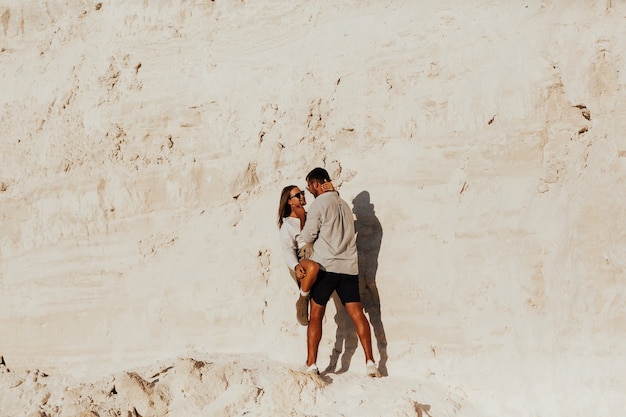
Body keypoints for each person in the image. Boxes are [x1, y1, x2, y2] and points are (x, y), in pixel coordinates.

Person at [300, 167, 380, 377]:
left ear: (317, 184)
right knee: (357, 314)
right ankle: (371, 362)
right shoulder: (344, 205)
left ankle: (311, 365)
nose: (309, 191)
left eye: (309, 186)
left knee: (316, 314)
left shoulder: (319, 203)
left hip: (326, 267)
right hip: (349, 268)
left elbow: (308, 236)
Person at [278, 185, 321, 326]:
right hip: (303, 257)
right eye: (298, 195)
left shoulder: (311, 215)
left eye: (302, 193)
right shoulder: (288, 225)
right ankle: (303, 300)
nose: (302, 196)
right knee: (313, 268)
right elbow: (288, 249)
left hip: (319, 252)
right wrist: (295, 266)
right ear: (289, 201)